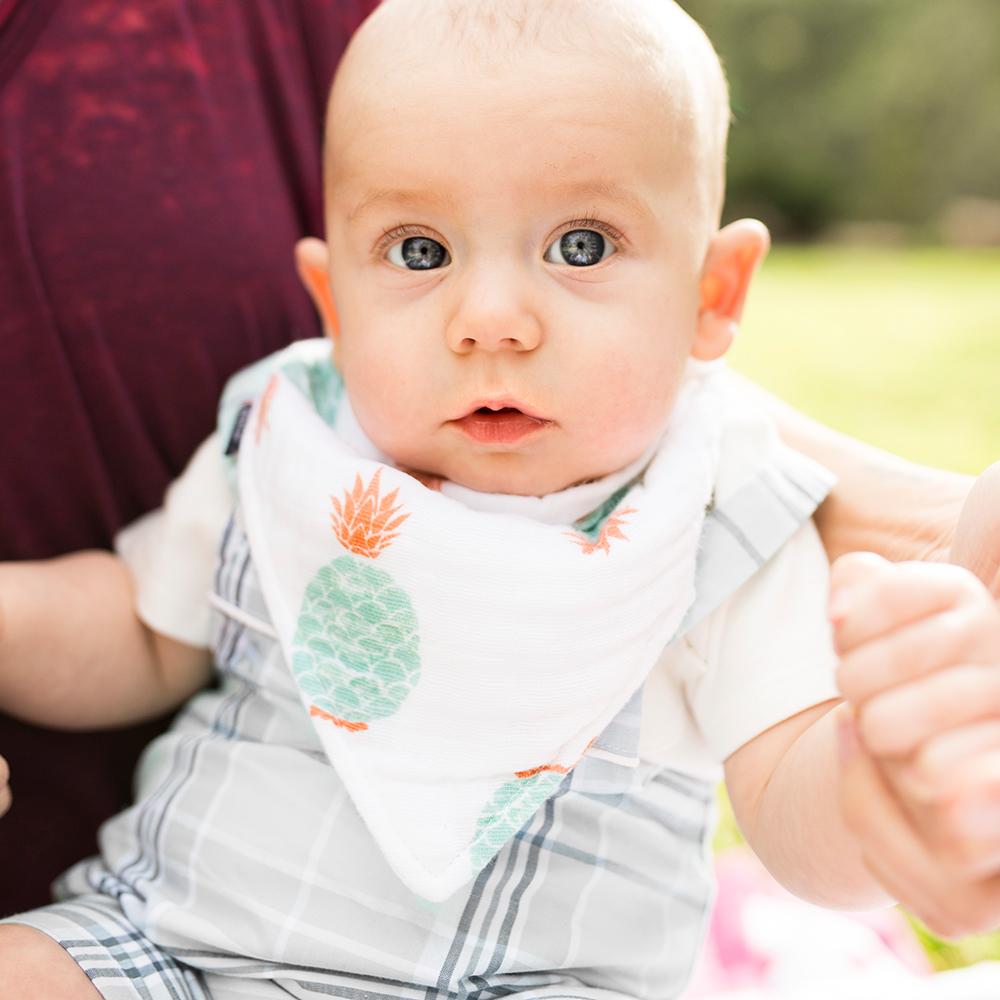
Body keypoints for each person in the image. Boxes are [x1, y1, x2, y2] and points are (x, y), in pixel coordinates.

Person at [0, 2, 998, 998]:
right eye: (420, 252)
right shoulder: (288, 430)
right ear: (334, 302)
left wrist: (877, 784)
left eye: (580, 245)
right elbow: (141, 632)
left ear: (713, 295)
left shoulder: (715, 505)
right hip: (166, 950)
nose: (488, 321)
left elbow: (789, 807)